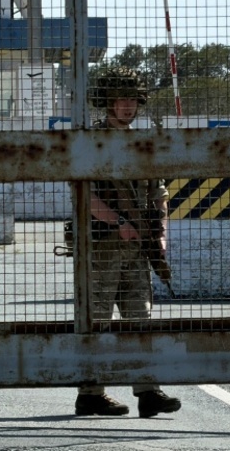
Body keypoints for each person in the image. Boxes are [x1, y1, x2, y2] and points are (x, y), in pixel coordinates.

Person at [74, 67, 182, 418]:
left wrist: (159, 234)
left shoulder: (143, 142)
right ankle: (90, 394)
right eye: (120, 99)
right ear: (106, 101)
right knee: (97, 319)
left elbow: (158, 193)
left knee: (140, 319)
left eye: (132, 99)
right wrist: (119, 222)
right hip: (101, 247)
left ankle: (148, 392)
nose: (127, 106)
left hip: (137, 248)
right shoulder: (92, 141)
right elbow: (83, 195)